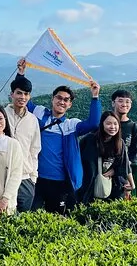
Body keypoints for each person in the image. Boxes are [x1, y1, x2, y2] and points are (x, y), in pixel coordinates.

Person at [17, 59, 102, 214]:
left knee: (57, 217)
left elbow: (93, 123)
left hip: (61, 182)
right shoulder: (40, 113)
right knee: (31, 215)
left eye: (66, 100)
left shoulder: (71, 125)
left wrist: (95, 97)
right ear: (53, 99)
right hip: (37, 178)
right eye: (59, 97)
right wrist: (21, 74)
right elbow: (24, 101)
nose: (61, 101)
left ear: (70, 104)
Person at [3, 65, 41, 212]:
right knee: (3, 217)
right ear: (12, 94)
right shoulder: (1, 116)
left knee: (23, 219)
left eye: (26, 94)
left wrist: (33, 178)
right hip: (4, 176)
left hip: (25, 178)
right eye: (19, 93)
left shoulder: (32, 120)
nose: (22, 97)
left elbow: (35, 150)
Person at [77, 111, 135, 204]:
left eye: (115, 124)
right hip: (88, 186)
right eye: (108, 123)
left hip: (112, 186)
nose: (112, 127)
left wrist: (131, 183)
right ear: (102, 124)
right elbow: (78, 160)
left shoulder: (120, 143)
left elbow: (125, 164)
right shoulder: (89, 140)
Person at [111, 90, 137, 168]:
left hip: (124, 170)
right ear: (113, 103)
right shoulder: (105, 124)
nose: (124, 105)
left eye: (127, 102)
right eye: (120, 101)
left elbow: (133, 154)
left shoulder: (133, 127)